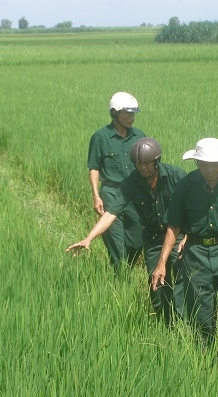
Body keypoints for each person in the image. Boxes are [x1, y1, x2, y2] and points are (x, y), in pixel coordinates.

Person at [151, 137, 218, 364]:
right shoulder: (186, 186)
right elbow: (174, 225)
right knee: (201, 308)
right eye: (205, 164)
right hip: (195, 253)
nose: (211, 169)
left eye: (215, 164)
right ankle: (206, 357)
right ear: (196, 163)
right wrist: (161, 262)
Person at [68, 138, 187, 325]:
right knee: (156, 284)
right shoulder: (130, 183)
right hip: (154, 239)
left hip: (179, 236)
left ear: (157, 161)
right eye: (139, 164)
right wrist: (88, 238)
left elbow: (192, 208)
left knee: (182, 282)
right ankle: (167, 327)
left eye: (147, 163)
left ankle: (185, 326)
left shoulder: (176, 176)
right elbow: (111, 213)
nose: (143, 167)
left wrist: (188, 236)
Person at [87, 92, 145, 271]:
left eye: (133, 113)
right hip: (111, 194)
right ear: (114, 113)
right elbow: (94, 167)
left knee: (137, 242)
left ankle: (125, 270)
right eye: (127, 113)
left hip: (135, 195)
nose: (131, 118)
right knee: (117, 249)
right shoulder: (101, 137)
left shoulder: (139, 135)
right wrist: (96, 196)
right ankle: (121, 281)